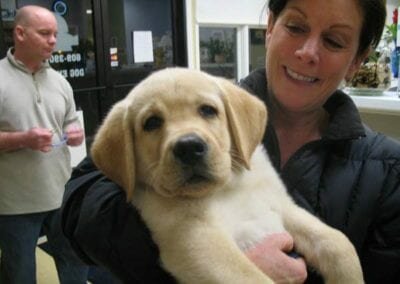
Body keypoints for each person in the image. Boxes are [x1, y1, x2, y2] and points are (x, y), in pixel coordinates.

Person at [60, 0, 400, 283]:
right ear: (270, 27)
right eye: (295, 27)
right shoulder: (197, 92)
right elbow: (80, 204)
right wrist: (175, 253)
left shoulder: (387, 170)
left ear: (357, 59)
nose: (307, 52)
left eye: (334, 41)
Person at [0, 5, 88, 284]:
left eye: (55, 34)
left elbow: (71, 122)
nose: (53, 40)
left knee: (75, 259)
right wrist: (22, 139)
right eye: (45, 33)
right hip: (14, 203)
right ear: (20, 33)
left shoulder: (61, 83)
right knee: (20, 273)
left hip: (61, 194)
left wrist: (75, 132)